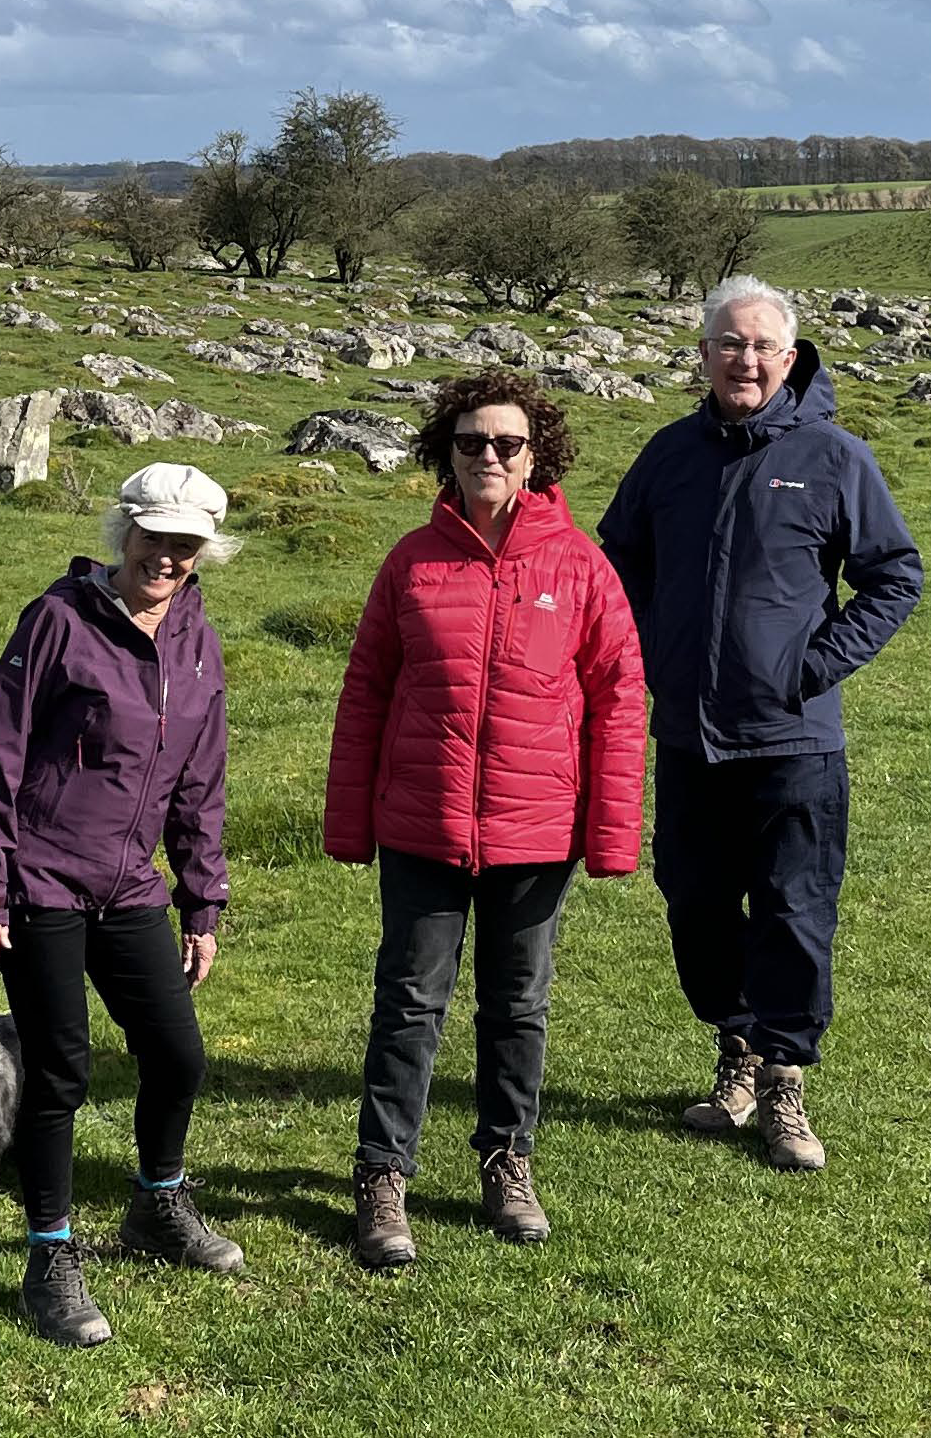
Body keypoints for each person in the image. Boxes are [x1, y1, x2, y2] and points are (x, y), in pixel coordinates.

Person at [597, 274, 922, 1173]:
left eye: (761, 346)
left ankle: (784, 1078)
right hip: (689, 733)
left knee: (793, 906)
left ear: (790, 357)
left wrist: (811, 667)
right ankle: (736, 1044)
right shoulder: (667, 455)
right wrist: (647, 657)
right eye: (728, 343)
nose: (745, 359)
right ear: (702, 354)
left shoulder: (833, 456)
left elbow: (894, 576)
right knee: (694, 900)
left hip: (795, 738)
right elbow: (614, 563)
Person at [325, 370, 645, 1269]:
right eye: (471, 442)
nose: (489, 456)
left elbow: (621, 700)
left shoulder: (580, 565)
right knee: (408, 1004)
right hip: (423, 825)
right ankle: (382, 1177)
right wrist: (350, 824)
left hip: (537, 832)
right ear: (448, 452)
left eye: (507, 443)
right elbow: (365, 695)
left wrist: (614, 834)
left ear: (537, 455)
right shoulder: (411, 561)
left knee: (518, 1006)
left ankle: (508, 1161)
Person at [0, 461, 241, 1347]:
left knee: (178, 1055)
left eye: (186, 543)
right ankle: (50, 1253)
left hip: (130, 889)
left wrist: (201, 901)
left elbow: (200, 780)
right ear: (126, 531)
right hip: (40, 882)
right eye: (156, 536)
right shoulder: (56, 621)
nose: (168, 555)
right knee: (61, 1074)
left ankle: (157, 1205)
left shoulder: (197, 639)